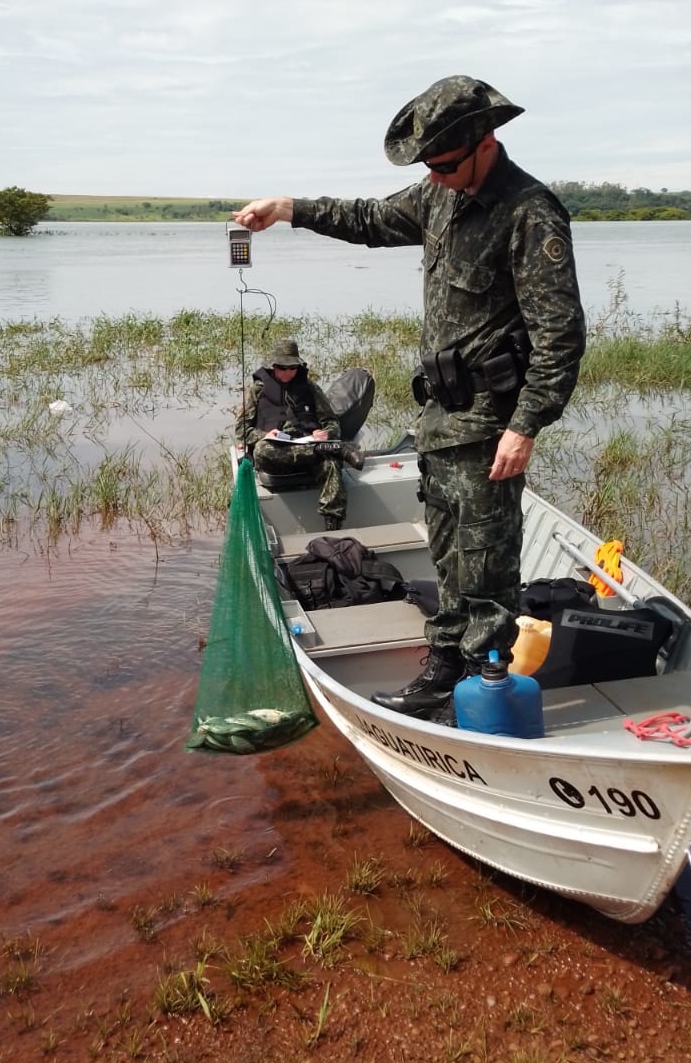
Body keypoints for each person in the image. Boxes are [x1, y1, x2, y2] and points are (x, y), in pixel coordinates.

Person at [232, 76, 586, 720]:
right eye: (428, 165)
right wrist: (288, 208)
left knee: (486, 560)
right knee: (449, 547)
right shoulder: (437, 196)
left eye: (446, 163)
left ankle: (487, 683)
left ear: (487, 142)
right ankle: (447, 662)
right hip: (441, 420)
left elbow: (560, 335)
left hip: (490, 422)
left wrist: (527, 424)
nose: (437, 175)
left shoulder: (529, 213)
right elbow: (367, 219)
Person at [234, 337, 365, 532]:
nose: (288, 373)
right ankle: (334, 449)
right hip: (276, 453)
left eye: (292, 368)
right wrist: (264, 434)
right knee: (262, 449)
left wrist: (326, 434)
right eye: (283, 368)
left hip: (307, 445)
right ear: (273, 366)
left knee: (330, 463)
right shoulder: (258, 391)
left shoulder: (309, 389)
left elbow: (331, 422)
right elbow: (241, 431)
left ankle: (333, 524)